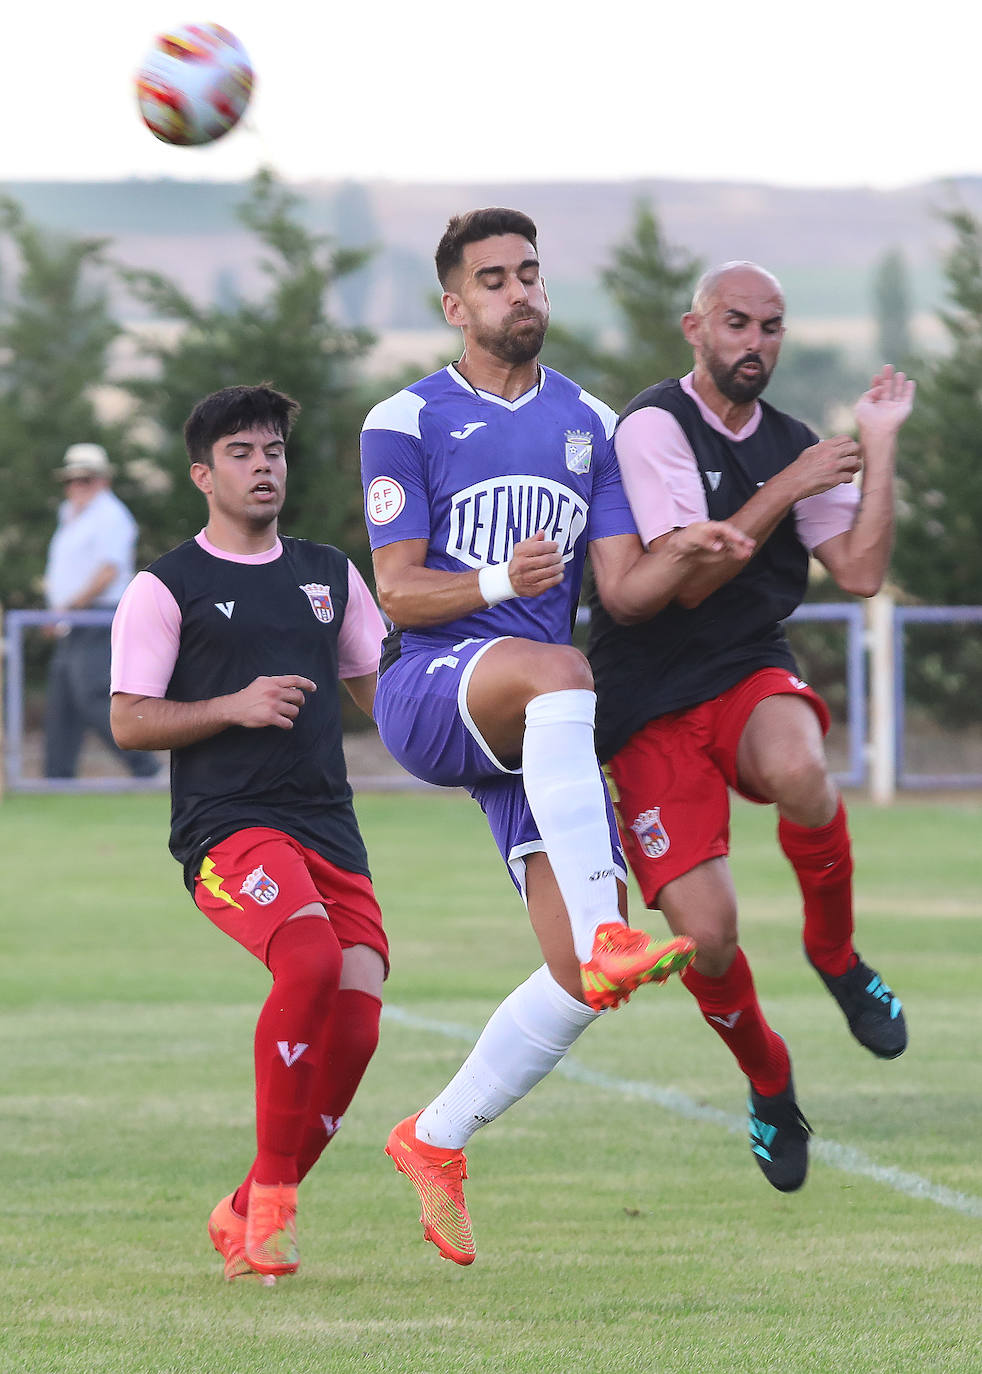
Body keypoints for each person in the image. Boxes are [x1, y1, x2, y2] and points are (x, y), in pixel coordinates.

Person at [360, 208, 754, 1264]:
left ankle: (433, 1138)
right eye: (493, 280)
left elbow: (623, 590)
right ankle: (608, 923)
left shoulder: (589, 422)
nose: (519, 292)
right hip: (435, 689)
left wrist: (707, 549)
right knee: (558, 665)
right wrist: (496, 581)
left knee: (585, 980)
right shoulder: (403, 418)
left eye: (530, 273)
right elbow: (397, 590)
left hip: (537, 718)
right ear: (455, 307)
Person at [588, 261, 916, 1194]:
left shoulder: (794, 440)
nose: (756, 344)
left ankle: (836, 955)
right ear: (697, 328)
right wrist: (792, 482)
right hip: (646, 702)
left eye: (771, 327)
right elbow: (685, 579)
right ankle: (771, 1086)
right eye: (738, 323)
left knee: (803, 766)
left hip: (743, 671)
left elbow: (856, 571)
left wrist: (878, 444)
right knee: (710, 935)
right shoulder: (654, 428)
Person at [110, 384, 389, 1282]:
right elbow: (129, 721)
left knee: (358, 1022)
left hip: (329, 826)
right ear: (202, 473)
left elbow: (381, 694)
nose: (263, 464)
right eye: (241, 451)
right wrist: (234, 705)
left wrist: (480, 745)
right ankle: (274, 1205)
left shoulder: (328, 573)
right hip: (228, 829)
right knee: (307, 961)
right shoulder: (165, 587)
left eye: (272, 449)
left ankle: (242, 1207)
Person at [43, 443, 159, 780]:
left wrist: (68, 608)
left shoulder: (111, 515)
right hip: (73, 619)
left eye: (86, 479)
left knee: (93, 694)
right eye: (73, 479)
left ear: (102, 480)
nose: (78, 485)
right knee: (63, 701)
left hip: (98, 616)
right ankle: (57, 778)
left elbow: (108, 571)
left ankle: (146, 769)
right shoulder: (68, 513)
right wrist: (61, 613)